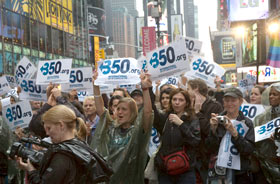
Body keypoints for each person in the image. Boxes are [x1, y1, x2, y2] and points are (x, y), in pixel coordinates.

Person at [16, 105, 109, 184]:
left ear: (61, 125)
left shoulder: (63, 155)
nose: (47, 133)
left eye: (49, 128)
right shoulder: (80, 145)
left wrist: (31, 170)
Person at [91, 71, 153, 183]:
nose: (120, 112)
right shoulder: (112, 128)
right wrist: (96, 86)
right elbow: (101, 110)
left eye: (124, 109)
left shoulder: (138, 132)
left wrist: (145, 90)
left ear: (133, 112)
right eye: (118, 108)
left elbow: (148, 113)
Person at [207, 87, 255, 183]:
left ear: (240, 101)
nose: (229, 104)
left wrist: (235, 134)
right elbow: (210, 148)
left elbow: (249, 150)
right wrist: (213, 130)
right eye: (227, 101)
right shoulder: (218, 120)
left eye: (233, 100)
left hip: (240, 173)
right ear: (223, 102)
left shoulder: (247, 123)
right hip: (220, 172)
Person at [155, 88, 201, 184]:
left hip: (185, 170)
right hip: (166, 169)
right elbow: (152, 110)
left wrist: (181, 124)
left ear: (187, 103)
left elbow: (195, 141)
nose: (177, 102)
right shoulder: (165, 117)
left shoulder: (192, 119)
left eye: (181, 100)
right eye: (174, 99)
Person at [187, 79, 223, 183]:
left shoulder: (215, 106)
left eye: (188, 88)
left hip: (208, 157)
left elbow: (209, 130)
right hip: (192, 157)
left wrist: (198, 113)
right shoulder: (188, 105)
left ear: (196, 89)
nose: (186, 91)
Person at [254, 82, 280, 183]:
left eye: (275, 94)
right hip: (265, 164)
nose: (271, 96)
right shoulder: (261, 117)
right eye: (270, 94)